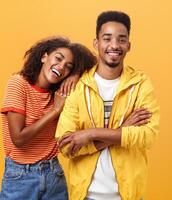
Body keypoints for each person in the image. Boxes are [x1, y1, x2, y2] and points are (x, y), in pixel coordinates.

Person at [56, 11, 160, 200]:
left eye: (121, 39)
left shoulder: (141, 84)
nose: (114, 45)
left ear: (128, 46)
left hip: (129, 195)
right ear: (96, 43)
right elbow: (66, 145)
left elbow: (148, 135)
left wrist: (90, 134)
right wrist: (123, 130)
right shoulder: (78, 86)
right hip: (84, 195)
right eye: (107, 38)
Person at [0, 36, 97, 199]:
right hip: (20, 177)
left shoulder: (60, 93)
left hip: (54, 174)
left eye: (68, 66)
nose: (61, 67)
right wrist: (55, 110)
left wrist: (77, 73)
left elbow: (99, 69)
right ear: (44, 56)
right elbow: (18, 138)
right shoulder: (18, 84)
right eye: (58, 58)